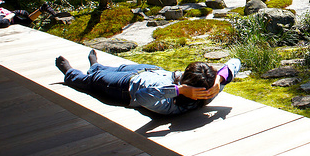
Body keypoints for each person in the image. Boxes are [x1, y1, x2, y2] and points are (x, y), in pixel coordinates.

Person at [55, 50, 241, 116]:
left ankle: (70, 72)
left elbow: (141, 96)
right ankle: (97, 65)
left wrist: (179, 90)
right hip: (150, 70)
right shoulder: (210, 90)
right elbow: (235, 62)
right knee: (113, 68)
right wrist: (220, 79)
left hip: (126, 86)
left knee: (91, 81)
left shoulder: (171, 104)